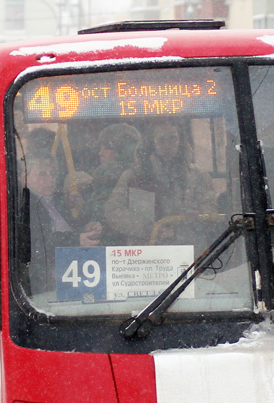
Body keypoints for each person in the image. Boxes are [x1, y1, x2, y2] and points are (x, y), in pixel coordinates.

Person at [104, 120, 217, 244]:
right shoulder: (133, 176)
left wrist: (196, 216)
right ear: (152, 143)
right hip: (146, 252)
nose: (167, 145)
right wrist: (148, 228)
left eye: (173, 139)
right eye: (161, 140)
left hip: (191, 252)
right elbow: (113, 211)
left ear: (180, 142)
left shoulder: (198, 176)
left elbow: (211, 211)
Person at [20, 155, 101, 293]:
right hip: (46, 278)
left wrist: (85, 229)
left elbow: (65, 230)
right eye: (42, 174)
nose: (50, 179)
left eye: (53, 174)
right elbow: (38, 243)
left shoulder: (55, 200)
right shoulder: (26, 204)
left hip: (70, 267)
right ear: (24, 177)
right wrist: (76, 240)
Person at [83, 122, 141, 229]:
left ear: (122, 151)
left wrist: (101, 228)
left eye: (107, 148)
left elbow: (129, 222)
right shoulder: (102, 178)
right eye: (101, 148)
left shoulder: (133, 180)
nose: (100, 153)